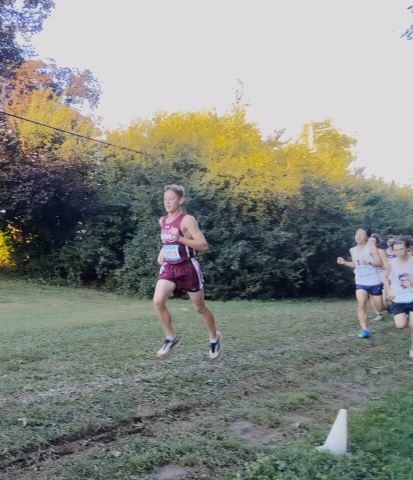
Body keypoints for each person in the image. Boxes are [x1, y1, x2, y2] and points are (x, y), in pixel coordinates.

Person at [153, 184, 221, 359]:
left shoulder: (187, 220)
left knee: (199, 307)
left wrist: (181, 238)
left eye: (171, 199)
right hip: (170, 266)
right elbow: (168, 241)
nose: (167, 202)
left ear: (181, 200)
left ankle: (214, 338)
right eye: (165, 199)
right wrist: (162, 251)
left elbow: (203, 245)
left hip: (188, 267)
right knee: (158, 301)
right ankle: (171, 338)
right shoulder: (162, 221)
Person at [337, 226, 384, 338]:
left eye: (361, 234)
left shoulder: (371, 247)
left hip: (374, 281)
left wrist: (368, 262)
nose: (358, 236)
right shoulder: (352, 250)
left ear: (367, 237)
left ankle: (389, 307)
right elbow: (355, 264)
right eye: (356, 233)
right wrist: (344, 262)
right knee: (361, 304)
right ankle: (365, 330)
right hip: (361, 281)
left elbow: (379, 263)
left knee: (380, 307)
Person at [384, 238, 413, 359]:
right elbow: (385, 278)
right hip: (398, 298)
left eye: (401, 249)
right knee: (400, 325)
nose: (398, 252)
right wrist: (389, 290)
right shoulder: (391, 262)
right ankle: (406, 317)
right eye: (395, 250)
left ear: (407, 248)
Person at [369, 233, 388, 320]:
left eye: (373, 241)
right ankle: (378, 315)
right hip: (370, 275)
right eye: (369, 240)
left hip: (381, 274)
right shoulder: (366, 252)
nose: (371, 242)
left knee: (382, 300)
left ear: (376, 242)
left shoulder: (380, 251)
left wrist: (375, 264)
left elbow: (385, 264)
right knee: (371, 295)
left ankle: (389, 307)